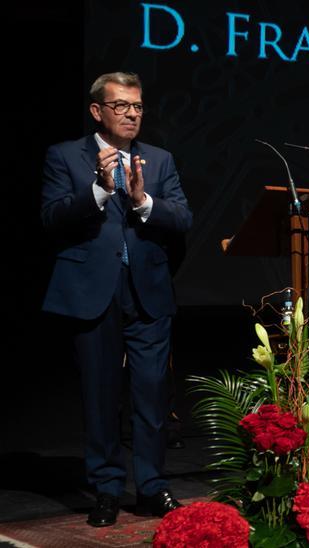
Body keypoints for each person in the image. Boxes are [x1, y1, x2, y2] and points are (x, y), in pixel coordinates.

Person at [41, 72, 192, 527]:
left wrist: (144, 201)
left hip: (147, 293)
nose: (132, 114)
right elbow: (51, 216)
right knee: (101, 396)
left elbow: (182, 216)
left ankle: (152, 486)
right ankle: (106, 490)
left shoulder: (159, 160)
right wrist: (100, 191)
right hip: (92, 292)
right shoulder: (66, 156)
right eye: (122, 106)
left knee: (150, 394)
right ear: (97, 111)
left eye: (138, 106)